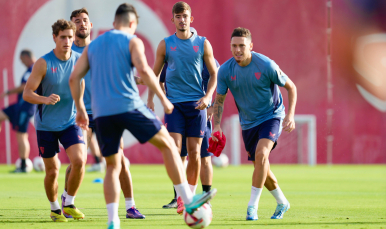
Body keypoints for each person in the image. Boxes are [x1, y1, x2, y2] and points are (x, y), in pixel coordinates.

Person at [68, 4, 216, 229]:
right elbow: (146, 72)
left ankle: (113, 220)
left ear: (114, 22)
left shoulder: (93, 45)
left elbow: (74, 79)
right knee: (168, 146)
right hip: (129, 106)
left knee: (112, 166)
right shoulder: (132, 41)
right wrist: (163, 100)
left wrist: (79, 108)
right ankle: (188, 200)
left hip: (102, 112)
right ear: (132, 23)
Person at [65, 7, 145, 219]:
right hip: (79, 115)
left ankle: (130, 207)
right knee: (77, 161)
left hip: (104, 113)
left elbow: (119, 74)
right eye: (77, 21)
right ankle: (67, 202)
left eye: (84, 20)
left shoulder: (99, 49)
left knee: (120, 161)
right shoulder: (66, 53)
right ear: (71, 27)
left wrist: (139, 80)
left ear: (91, 26)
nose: (81, 24)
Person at [212, 27, 297, 220]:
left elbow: (291, 87)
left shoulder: (267, 65)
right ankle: (283, 202)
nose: (237, 50)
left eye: (242, 46)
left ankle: (252, 207)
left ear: (251, 46)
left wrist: (290, 116)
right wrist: (216, 126)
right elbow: (219, 100)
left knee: (261, 154)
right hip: (248, 123)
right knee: (261, 166)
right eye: (234, 46)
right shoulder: (224, 70)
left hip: (271, 116)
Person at [147, 1, 218, 214]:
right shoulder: (165, 44)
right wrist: (151, 99)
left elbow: (214, 74)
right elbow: (154, 74)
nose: (182, 19)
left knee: (195, 153)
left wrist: (208, 97)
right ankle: (181, 197)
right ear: (173, 20)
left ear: (191, 19)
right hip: (175, 105)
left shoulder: (203, 43)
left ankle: (191, 196)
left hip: (197, 105)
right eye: (178, 16)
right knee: (176, 150)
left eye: (185, 16)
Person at [23, 19, 86, 222]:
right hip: (46, 125)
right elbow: (27, 93)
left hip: (70, 122)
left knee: (79, 161)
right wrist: (44, 99)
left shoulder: (79, 59)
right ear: (54, 38)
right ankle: (54, 208)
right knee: (52, 171)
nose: (67, 41)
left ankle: (69, 202)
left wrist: (81, 110)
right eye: (63, 37)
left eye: (70, 37)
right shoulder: (43, 63)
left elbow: (81, 85)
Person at [160, 57, 220, 209]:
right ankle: (179, 198)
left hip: (201, 112)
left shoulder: (208, 60)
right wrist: (165, 99)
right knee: (179, 155)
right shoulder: (172, 59)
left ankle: (205, 198)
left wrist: (212, 106)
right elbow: (160, 80)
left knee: (203, 156)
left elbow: (219, 83)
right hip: (179, 112)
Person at [0, 50, 36, 173]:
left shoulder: (33, 69)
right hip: (20, 106)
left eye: (22, 60)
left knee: (21, 135)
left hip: (25, 107)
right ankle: (23, 164)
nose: (22, 62)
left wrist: (7, 92)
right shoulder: (31, 69)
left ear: (26, 57)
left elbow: (25, 86)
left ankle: (23, 165)